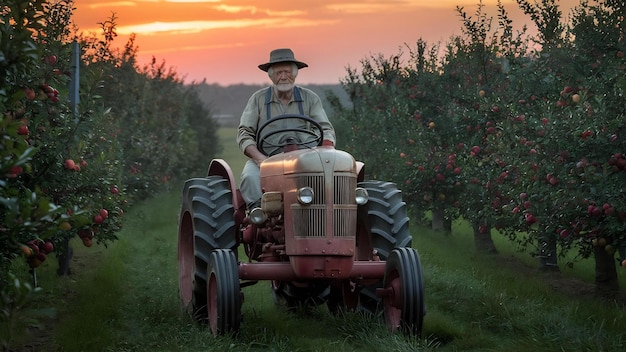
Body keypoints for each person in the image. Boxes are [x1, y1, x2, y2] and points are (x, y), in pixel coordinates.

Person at [236, 48, 336, 210]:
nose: (283, 76)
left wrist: (324, 151)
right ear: (271, 76)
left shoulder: (310, 98)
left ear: (295, 74)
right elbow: (244, 133)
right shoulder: (258, 99)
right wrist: (260, 159)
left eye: (287, 72)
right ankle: (258, 215)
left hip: (305, 160)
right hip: (266, 159)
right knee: (249, 178)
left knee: (330, 181)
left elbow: (325, 129)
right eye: (278, 73)